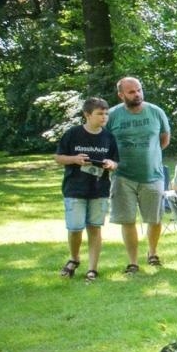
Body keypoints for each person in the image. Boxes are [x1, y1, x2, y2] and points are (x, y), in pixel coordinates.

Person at [104, 76, 170, 274]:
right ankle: (133, 262)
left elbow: (164, 139)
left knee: (155, 219)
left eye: (139, 90)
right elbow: (105, 142)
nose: (137, 94)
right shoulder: (114, 115)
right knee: (127, 220)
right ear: (121, 94)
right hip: (123, 175)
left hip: (153, 174)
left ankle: (152, 252)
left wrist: (151, 156)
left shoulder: (156, 112)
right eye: (131, 92)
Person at [53, 97, 120, 281]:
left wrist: (110, 164)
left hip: (99, 189)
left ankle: (92, 269)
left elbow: (116, 161)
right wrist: (74, 159)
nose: (104, 117)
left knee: (95, 228)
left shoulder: (108, 137)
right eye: (100, 114)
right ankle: (74, 259)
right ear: (87, 115)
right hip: (75, 188)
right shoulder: (73, 134)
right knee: (75, 228)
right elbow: (58, 157)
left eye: (106, 113)